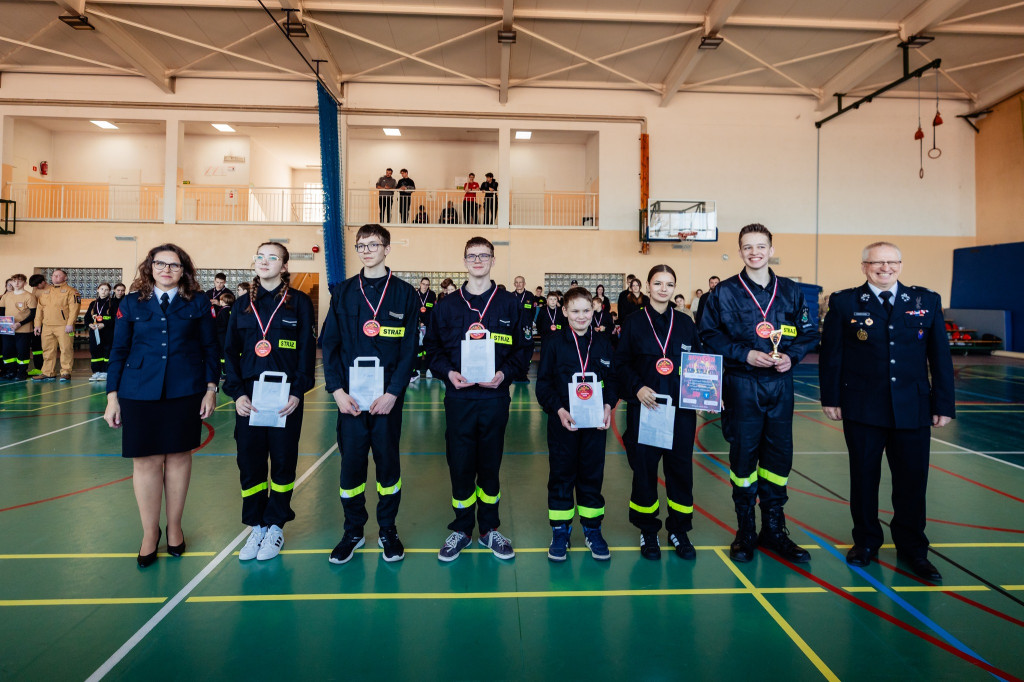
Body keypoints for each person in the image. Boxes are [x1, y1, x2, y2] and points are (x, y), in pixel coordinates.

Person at [819, 242, 955, 581]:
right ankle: (866, 542)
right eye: (877, 262)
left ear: (901, 264)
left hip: (913, 407)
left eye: (892, 262)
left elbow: (940, 357)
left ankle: (913, 549)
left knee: (912, 482)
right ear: (864, 266)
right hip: (863, 407)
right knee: (864, 479)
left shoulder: (926, 301)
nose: (885, 268)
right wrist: (830, 398)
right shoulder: (845, 302)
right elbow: (831, 355)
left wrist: (943, 404)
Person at [699, 224, 819, 564]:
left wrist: (791, 357)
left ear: (770, 249)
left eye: (761, 246)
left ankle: (775, 531)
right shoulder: (722, 293)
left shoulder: (793, 291)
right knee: (743, 460)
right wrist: (744, 354)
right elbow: (708, 334)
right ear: (740, 251)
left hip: (780, 385)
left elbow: (810, 333)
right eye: (748, 247)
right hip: (742, 384)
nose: (755, 252)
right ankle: (745, 532)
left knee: (778, 460)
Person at [104, 243, 220, 567]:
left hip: (186, 390)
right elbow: (118, 351)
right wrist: (112, 396)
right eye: (160, 264)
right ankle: (148, 533)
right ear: (150, 267)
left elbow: (211, 347)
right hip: (138, 391)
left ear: (184, 271)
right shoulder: (130, 303)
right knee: (145, 462)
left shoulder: (197, 302)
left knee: (179, 457)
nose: (166, 269)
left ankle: (174, 527)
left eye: (174, 265)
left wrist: (211, 389)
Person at [424, 236, 530, 562]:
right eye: (472, 255)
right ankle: (461, 528)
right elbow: (433, 349)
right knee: (460, 465)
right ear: (465, 260)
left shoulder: (511, 303)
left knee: (489, 466)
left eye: (484, 255)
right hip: (459, 398)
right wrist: (448, 374)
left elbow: (523, 349)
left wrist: (504, 374)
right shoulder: (446, 306)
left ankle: (488, 529)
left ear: (493, 260)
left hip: (495, 397)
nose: (478, 260)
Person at [322, 224, 419, 565]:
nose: (366, 250)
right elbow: (329, 345)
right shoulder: (344, 292)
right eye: (361, 245)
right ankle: (353, 531)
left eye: (373, 244)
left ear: (387, 248)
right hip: (350, 401)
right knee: (351, 467)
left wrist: (394, 393)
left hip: (386, 402)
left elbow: (410, 350)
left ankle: (387, 529)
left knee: (388, 466)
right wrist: (335, 390)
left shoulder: (406, 294)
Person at [225, 242, 316, 562]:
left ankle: (275, 524)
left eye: (272, 257)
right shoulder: (241, 306)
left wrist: (297, 391)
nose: (265, 262)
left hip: (285, 398)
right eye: (260, 256)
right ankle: (256, 526)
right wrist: (237, 393)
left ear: (285, 265)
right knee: (249, 463)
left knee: (282, 461)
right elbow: (230, 353)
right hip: (249, 398)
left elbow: (306, 352)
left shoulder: (299, 303)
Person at [615, 265, 702, 560]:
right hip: (646, 410)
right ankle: (648, 531)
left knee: (680, 472)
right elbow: (621, 364)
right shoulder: (633, 322)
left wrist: (708, 392)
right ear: (648, 287)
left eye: (669, 284)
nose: (663, 288)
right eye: (658, 283)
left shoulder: (687, 323)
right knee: (645, 472)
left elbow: (699, 365)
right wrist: (637, 388)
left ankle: (679, 530)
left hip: (681, 412)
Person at [535, 286, 617, 561]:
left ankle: (593, 530)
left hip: (595, 427)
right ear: (565, 312)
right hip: (563, 424)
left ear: (594, 310)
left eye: (586, 311)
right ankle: (560, 530)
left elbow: (613, 381)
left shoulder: (605, 343)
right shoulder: (554, 342)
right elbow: (544, 384)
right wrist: (558, 409)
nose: (581, 317)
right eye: (575, 311)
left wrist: (608, 405)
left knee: (591, 476)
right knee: (561, 476)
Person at [33, 269, 81, 383]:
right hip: (47, 326)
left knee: (66, 349)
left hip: (64, 326)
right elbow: (39, 310)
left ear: (65, 278)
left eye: (59, 275)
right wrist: (37, 325)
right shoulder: (45, 292)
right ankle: (48, 372)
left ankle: (65, 372)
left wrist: (70, 324)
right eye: (54, 275)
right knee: (47, 350)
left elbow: (75, 309)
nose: (55, 277)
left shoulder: (72, 291)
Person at [0, 274, 36, 381]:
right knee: (7, 351)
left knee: (22, 351)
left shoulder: (29, 296)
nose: (16, 283)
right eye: (14, 281)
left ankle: (21, 373)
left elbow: (33, 314)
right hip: (7, 329)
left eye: (19, 281)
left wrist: (20, 323)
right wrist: (3, 322)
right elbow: (2, 310)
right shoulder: (6, 296)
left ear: (24, 283)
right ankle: (11, 371)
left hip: (24, 330)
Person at [85, 282, 116, 382]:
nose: (104, 291)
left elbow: (116, 318)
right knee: (95, 351)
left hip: (108, 332)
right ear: (98, 290)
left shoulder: (113, 303)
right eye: (102, 289)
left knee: (107, 351)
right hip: (95, 332)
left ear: (109, 291)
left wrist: (104, 324)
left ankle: (105, 372)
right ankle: (96, 372)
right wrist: (89, 324)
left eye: (106, 290)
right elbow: (87, 318)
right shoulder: (93, 304)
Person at [510, 275, 534, 382]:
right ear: (514, 284)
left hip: (527, 328)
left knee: (527, 350)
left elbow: (533, 312)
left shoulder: (530, 295)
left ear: (524, 283)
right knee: (515, 350)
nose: (519, 284)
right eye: (517, 282)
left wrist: (529, 322)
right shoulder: (510, 296)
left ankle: (524, 373)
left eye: (521, 282)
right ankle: (516, 373)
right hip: (514, 328)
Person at [414, 277, 437, 381]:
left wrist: (427, 323)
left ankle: (429, 369)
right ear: (420, 284)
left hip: (428, 326)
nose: (425, 286)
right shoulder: (415, 294)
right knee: (418, 349)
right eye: (423, 284)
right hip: (417, 325)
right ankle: (417, 370)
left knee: (428, 348)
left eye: (427, 285)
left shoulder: (432, 295)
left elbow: (433, 311)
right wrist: (418, 322)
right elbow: (413, 309)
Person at [26, 275, 46, 375]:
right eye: (34, 286)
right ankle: (38, 368)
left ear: (43, 282)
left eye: (38, 285)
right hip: (36, 322)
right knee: (36, 346)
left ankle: (46, 369)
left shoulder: (51, 290)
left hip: (46, 322)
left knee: (46, 347)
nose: (36, 287)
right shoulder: (35, 289)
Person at [214, 290, 235, 376]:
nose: (220, 302)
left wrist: (216, 325)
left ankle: (224, 369)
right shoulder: (227, 310)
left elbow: (223, 323)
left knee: (222, 352)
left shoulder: (224, 311)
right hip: (223, 334)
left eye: (222, 300)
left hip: (222, 335)